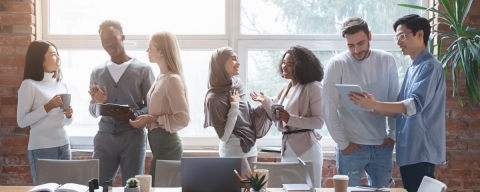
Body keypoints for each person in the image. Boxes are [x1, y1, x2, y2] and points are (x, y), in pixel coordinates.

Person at [348, 14, 446, 192]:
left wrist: (376, 104)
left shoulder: (430, 66)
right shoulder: (412, 68)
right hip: (409, 151)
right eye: (397, 37)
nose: (399, 41)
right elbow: (402, 109)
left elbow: (413, 105)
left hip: (420, 151)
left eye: (402, 36)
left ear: (419, 34)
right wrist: (375, 108)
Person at [321, 17, 399, 187]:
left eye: (361, 43)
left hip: (381, 146)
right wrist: (343, 144)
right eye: (350, 45)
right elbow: (328, 108)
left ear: (370, 36)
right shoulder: (337, 64)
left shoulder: (387, 60)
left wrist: (393, 136)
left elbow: (395, 100)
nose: (356, 50)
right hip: (351, 147)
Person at [88, 20, 154, 186]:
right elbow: (91, 108)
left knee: (132, 186)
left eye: (112, 38)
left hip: (133, 137)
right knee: (98, 186)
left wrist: (133, 115)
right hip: (104, 138)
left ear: (122, 37)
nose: (108, 43)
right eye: (104, 40)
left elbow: (152, 106)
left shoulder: (143, 70)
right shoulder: (97, 72)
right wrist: (99, 104)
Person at [252, 45, 325, 187]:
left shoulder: (313, 87)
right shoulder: (287, 88)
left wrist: (289, 118)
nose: (284, 67)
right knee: (288, 189)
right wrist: (265, 101)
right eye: (284, 62)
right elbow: (279, 118)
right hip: (288, 149)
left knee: (309, 190)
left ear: (301, 67)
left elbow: (319, 122)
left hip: (307, 150)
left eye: (290, 64)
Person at [129, 31, 189, 184]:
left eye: (150, 47)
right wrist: (146, 119)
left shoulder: (173, 80)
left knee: (159, 188)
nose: (147, 51)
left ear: (161, 51)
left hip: (168, 146)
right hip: (159, 146)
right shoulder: (160, 77)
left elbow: (183, 118)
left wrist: (152, 119)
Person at [204, 47, 272, 176]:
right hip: (233, 151)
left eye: (238, 59)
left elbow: (249, 115)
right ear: (221, 63)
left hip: (251, 147)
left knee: (254, 188)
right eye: (233, 59)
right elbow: (224, 136)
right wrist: (234, 105)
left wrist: (265, 102)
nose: (238, 63)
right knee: (246, 188)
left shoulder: (238, 85)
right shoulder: (214, 98)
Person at [17, 40, 74, 185]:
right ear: (40, 60)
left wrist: (69, 115)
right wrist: (47, 107)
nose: (58, 58)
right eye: (53, 54)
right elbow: (22, 121)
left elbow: (65, 122)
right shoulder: (29, 85)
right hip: (42, 148)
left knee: (66, 189)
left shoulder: (62, 84)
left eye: (57, 54)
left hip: (64, 146)